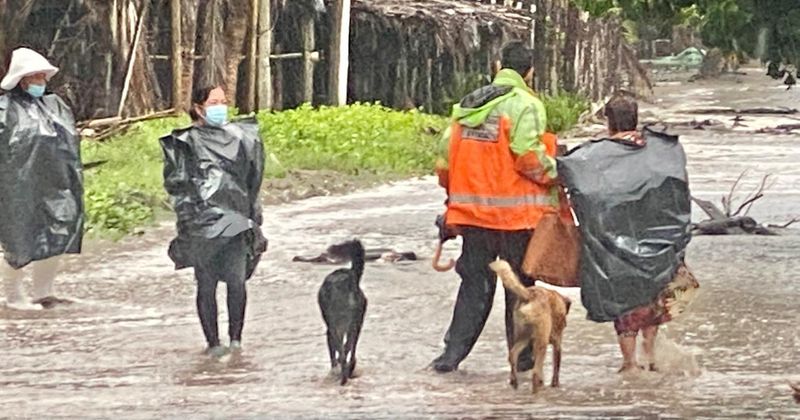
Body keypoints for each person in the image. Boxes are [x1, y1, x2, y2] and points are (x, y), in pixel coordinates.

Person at [431, 41, 562, 373]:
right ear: (530, 71)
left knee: (474, 285)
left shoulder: (468, 105)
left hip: (473, 218)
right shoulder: (525, 104)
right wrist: (557, 174)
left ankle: (450, 358)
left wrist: (455, 203)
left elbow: (445, 160)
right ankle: (523, 363)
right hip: (516, 220)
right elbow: (528, 157)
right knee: (518, 288)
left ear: (497, 65)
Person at [160, 85, 267, 358]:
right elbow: (177, 184)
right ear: (198, 108)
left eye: (223, 101)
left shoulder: (243, 137)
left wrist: (253, 217)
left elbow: (253, 179)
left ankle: (236, 341)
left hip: (236, 220)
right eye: (213, 102)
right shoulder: (185, 141)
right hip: (202, 224)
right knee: (206, 284)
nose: (220, 107)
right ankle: (213, 343)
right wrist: (190, 220)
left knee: (236, 280)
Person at [601, 95, 691, 373]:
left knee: (625, 299)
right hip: (657, 233)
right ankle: (650, 355)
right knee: (653, 292)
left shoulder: (602, 152)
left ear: (610, 122)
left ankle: (629, 363)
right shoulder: (659, 150)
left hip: (620, 236)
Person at [0, 47, 84, 309]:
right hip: (17, 186)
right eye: (34, 76)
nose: (40, 81)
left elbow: (69, 144)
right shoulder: (5, 109)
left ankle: (43, 292)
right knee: (18, 238)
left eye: (42, 76)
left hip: (56, 183)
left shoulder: (54, 106)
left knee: (56, 233)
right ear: (21, 78)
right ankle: (14, 295)